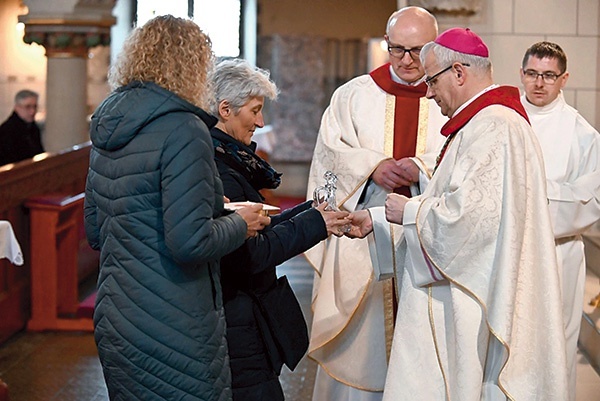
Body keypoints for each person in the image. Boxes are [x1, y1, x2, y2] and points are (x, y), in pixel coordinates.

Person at [347, 27, 569, 400]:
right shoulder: (482, 124)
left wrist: (410, 211)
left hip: (470, 301)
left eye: (432, 80)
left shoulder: (496, 126)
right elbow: (456, 203)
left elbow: (471, 224)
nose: (429, 92)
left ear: (459, 73)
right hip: (462, 288)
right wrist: (380, 220)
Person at [83, 15, 270, 400]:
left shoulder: (109, 124)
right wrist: (240, 222)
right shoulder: (185, 128)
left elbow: (96, 230)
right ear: (191, 64)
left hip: (118, 317)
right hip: (174, 319)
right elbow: (190, 242)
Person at [304, 6, 447, 400]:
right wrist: (371, 168)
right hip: (361, 245)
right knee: (362, 346)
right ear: (386, 45)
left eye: (417, 50)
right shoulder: (352, 96)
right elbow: (327, 171)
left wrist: (419, 171)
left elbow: (462, 162)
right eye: (397, 49)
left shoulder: (449, 97)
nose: (406, 60)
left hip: (427, 244)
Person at [208, 58, 351, 401]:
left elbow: (261, 225)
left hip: (243, 315)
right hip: (236, 318)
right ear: (225, 109)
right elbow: (249, 254)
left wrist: (310, 212)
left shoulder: (226, 157)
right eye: (255, 110)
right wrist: (316, 224)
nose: (260, 121)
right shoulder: (220, 168)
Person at [519, 41, 600, 400]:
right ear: (522, 75)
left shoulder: (582, 135)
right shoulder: (503, 119)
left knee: (556, 344)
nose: (539, 83)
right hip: (509, 253)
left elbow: (591, 200)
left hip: (558, 255)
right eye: (533, 74)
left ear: (563, 78)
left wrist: (527, 195)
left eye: (549, 75)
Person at [0, 89, 44, 165]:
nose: (33, 111)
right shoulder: (7, 131)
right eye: (28, 107)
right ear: (17, 107)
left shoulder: (33, 127)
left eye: (35, 107)